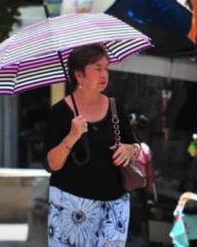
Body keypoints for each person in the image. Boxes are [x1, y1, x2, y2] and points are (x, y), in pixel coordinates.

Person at [44, 44, 140, 247]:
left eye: (106, 68)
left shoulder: (115, 107)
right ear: (79, 75)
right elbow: (51, 164)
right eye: (97, 68)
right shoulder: (60, 112)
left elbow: (135, 145)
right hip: (69, 205)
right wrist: (71, 136)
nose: (104, 74)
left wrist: (130, 150)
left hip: (113, 205)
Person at [126, 113, 155, 247]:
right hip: (137, 193)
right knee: (136, 227)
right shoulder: (144, 149)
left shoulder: (124, 147)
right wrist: (149, 191)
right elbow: (150, 176)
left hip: (127, 191)